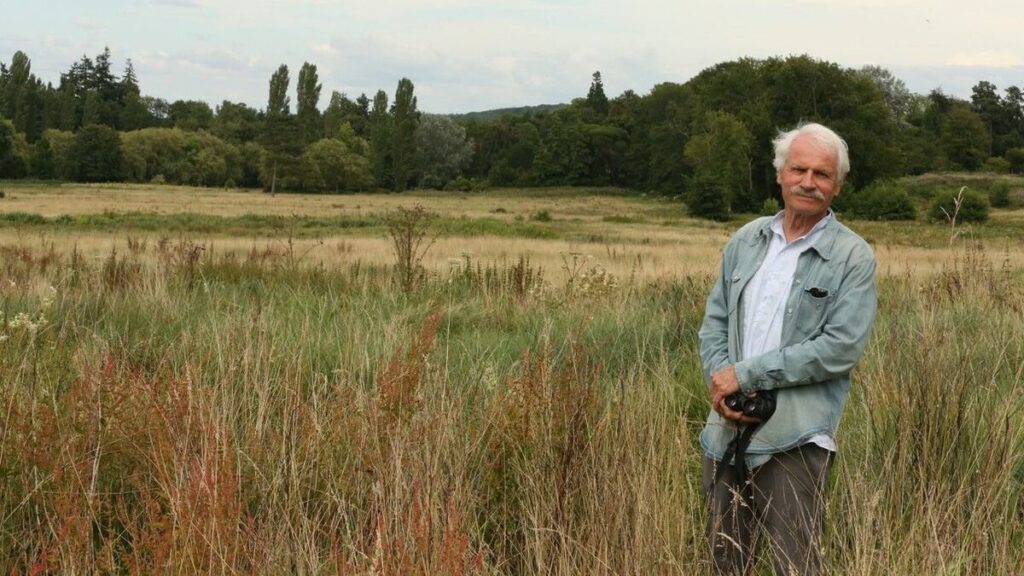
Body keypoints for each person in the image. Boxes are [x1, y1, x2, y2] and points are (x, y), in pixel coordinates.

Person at [697, 122, 877, 575]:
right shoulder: (747, 240)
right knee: (724, 562)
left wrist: (748, 375)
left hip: (795, 438)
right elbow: (715, 322)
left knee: (794, 565)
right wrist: (723, 386)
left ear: (838, 184)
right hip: (725, 433)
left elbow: (839, 348)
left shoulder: (852, 257)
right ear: (780, 174)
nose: (808, 182)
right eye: (799, 169)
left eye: (822, 174)